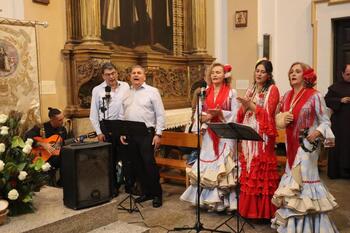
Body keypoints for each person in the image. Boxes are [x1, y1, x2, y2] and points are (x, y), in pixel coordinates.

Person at [271, 62, 338, 232]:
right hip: (290, 145)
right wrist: (281, 118)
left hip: (308, 146)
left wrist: (318, 132)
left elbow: (325, 120)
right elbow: (277, 118)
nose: (293, 74)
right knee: (292, 181)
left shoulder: (314, 95)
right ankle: (294, 226)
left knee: (304, 180)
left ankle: (311, 226)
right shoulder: (286, 96)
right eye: (291, 71)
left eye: (298, 71)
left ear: (306, 75)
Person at [180, 63, 239, 212]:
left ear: (224, 75)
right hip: (209, 135)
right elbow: (198, 111)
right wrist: (202, 119)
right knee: (208, 166)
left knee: (223, 166)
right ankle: (207, 201)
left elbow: (236, 114)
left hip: (225, 134)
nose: (215, 75)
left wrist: (221, 114)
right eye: (213, 73)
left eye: (218, 72)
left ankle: (223, 203)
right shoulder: (204, 92)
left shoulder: (232, 92)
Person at [236, 59, 280, 219]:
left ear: (268, 75)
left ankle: (264, 213)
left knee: (261, 171)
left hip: (263, 138)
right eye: (257, 71)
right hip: (249, 137)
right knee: (249, 171)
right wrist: (244, 106)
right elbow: (241, 115)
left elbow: (269, 115)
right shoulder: (251, 89)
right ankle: (249, 211)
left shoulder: (273, 90)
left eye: (262, 71)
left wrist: (251, 106)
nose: (259, 74)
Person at [119, 65, 165, 208]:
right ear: (130, 76)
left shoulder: (152, 91)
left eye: (139, 73)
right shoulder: (126, 93)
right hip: (131, 133)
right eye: (133, 73)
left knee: (148, 164)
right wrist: (122, 132)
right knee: (137, 164)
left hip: (146, 133)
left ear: (144, 77)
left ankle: (157, 194)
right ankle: (146, 192)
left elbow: (160, 114)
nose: (136, 75)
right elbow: (122, 114)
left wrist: (158, 134)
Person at [89, 62, 129, 195]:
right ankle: (113, 187)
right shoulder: (97, 90)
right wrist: (99, 132)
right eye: (107, 75)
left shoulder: (125, 86)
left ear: (117, 73)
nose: (111, 77)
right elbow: (93, 114)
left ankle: (128, 184)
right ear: (103, 76)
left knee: (126, 156)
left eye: (113, 73)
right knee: (109, 159)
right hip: (106, 126)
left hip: (122, 126)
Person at [25, 107, 67, 184]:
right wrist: (42, 144)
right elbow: (27, 137)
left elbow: (65, 144)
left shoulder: (63, 130)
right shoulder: (41, 128)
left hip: (55, 158)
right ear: (52, 119)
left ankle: (62, 183)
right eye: (60, 120)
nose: (62, 122)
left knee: (66, 155)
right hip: (42, 157)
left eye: (63, 119)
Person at [325, 64, 350, 179]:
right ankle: (337, 172)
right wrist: (340, 100)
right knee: (338, 147)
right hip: (339, 124)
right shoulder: (335, 87)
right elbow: (327, 100)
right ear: (342, 74)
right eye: (348, 74)